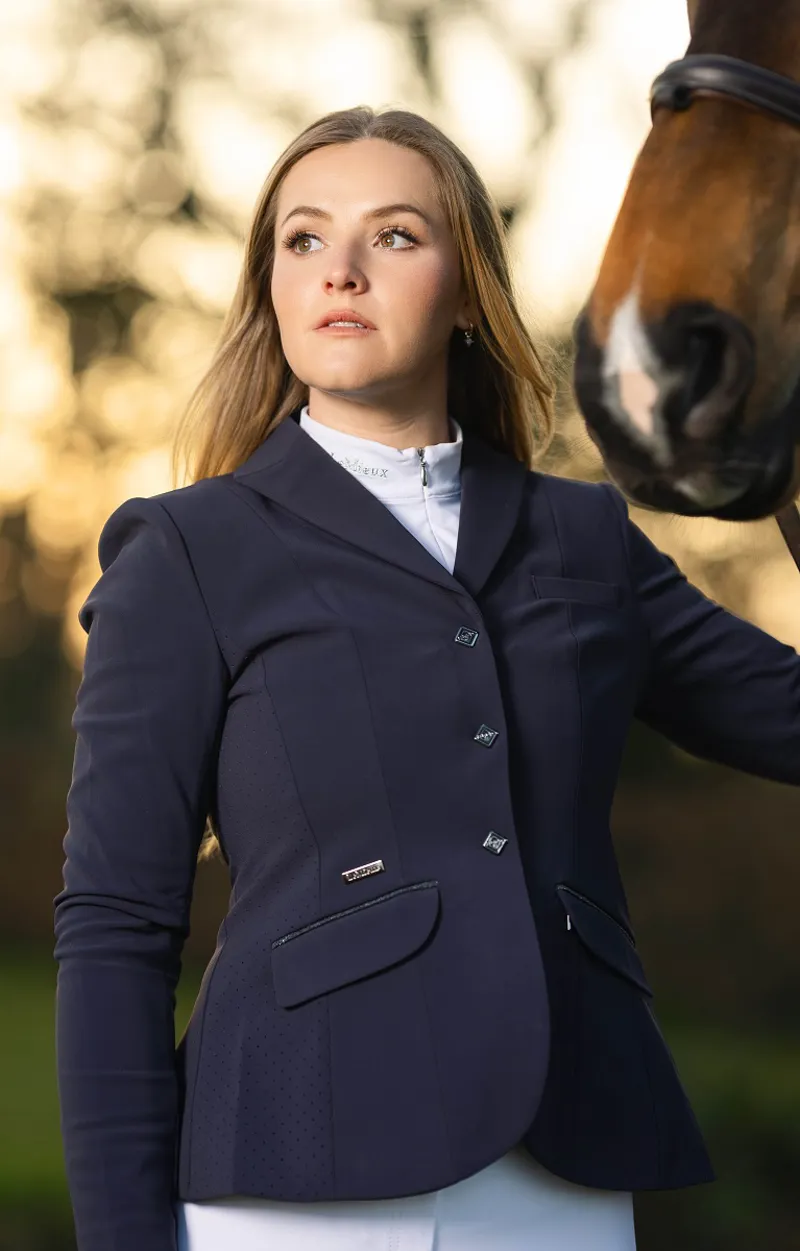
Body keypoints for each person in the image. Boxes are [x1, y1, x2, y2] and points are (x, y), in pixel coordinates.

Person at [53, 106, 800, 1251]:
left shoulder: (584, 538)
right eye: (303, 239)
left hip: (565, 1170)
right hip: (291, 1177)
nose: (339, 270)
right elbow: (116, 919)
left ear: (466, 294)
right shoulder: (188, 551)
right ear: (270, 286)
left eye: (394, 235)